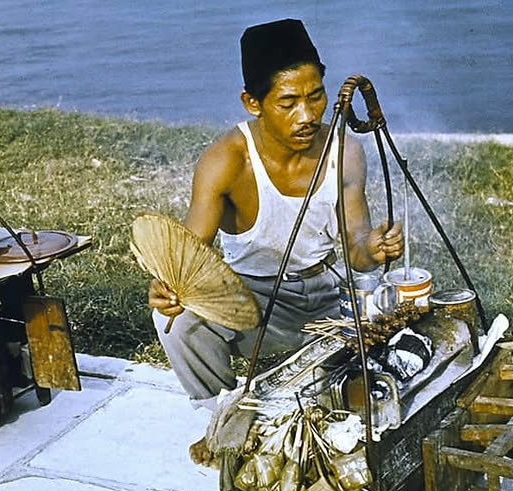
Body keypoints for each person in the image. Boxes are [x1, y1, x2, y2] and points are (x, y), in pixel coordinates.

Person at [147, 18, 405, 465]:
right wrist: (166, 287)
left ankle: (320, 388)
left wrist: (373, 248)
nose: (307, 115)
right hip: (251, 303)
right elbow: (187, 257)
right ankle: (225, 420)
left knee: (399, 320)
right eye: (288, 102)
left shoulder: (345, 151)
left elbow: (357, 251)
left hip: (328, 298)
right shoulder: (226, 161)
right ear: (253, 103)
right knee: (178, 321)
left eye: (315, 96)